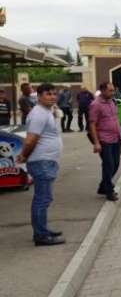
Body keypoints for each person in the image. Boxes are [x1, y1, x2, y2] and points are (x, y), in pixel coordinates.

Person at [16, 83, 64, 246]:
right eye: (48, 94)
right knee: (42, 199)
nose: (52, 96)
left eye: (54, 94)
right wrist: (23, 155)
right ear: (39, 96)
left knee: (44, 198)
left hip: (47, 161)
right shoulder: (38, 114)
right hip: (41, 161)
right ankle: (41, 236)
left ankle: (42, 229)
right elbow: (30, 140)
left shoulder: (46, 111)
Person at [89, 82, 121, 202]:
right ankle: (109, 191)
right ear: (102, 90)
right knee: (109, 165)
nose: (112, 93)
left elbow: (116, 118)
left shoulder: (112, 102)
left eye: (113, 90)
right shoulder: (95, 105)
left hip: (116, 138)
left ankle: (103, 186)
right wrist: (96, 143)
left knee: (116, 163)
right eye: (110, 90)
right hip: (104, 139)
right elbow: (92, 124)